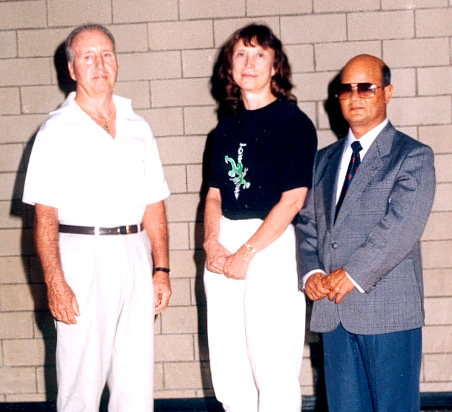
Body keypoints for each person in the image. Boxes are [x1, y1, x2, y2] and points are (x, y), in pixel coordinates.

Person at [22, 24, 171, 412]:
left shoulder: (139, 127)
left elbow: (154, 205)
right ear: (72, 70)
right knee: (80, 385)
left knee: (135, 383)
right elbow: (45, 217)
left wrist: (161, 269)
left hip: (134, 255)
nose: (99, 64)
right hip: (81, 258)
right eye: (87, 57)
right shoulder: (55, 130)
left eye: (106, 54)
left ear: (116, 61)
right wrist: (55, 282)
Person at [297, 54, 435, 412]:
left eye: (366, 87)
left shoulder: (412, 156)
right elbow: (307, 224)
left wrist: (353, 275)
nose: (354, 96)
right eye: (346, 89)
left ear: (387, 93)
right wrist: (311, 272)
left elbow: (401, 227)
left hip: (388, 311)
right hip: (333, 310)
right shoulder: (321, 161)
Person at [203, 24, 317, 412]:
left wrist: (246, 253)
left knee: (272, 365)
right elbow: (215, 193)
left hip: (268, 245)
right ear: (229, 66)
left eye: (259, 55)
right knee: (229, 366)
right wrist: (211, 243)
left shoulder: (293, 123)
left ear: (274, 67)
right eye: (240, 55)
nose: (248, 63)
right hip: (224, 244)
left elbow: (293, 200)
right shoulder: (223, 128)